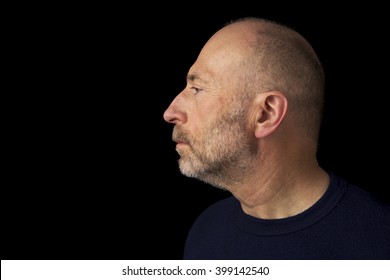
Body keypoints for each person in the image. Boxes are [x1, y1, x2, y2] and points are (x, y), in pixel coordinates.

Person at [163, 17, 390, 259]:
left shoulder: (379, 244)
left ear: (266, 114)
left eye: (197, 89)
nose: (170, 113)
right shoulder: (206, 232)